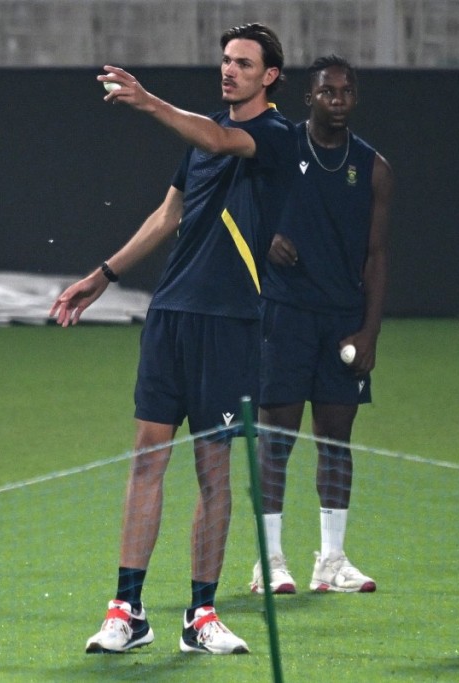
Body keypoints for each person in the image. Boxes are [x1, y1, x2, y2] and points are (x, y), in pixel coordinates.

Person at [49, 23, 297, 655]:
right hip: (172, 315)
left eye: (243, 63)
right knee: (147, 457)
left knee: (214, 472)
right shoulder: (202, 135)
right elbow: (170, 214)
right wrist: (103, 275)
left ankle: (201, 614)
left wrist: (150, 101)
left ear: (270, 75)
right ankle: (127, 610)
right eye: (225, 60)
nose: (229, 70)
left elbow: (218, 136)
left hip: (230, 324)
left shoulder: (271, 134)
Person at [249, 55, 393, 595]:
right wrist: (265, 239)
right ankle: (271, 559)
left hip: (342, 325)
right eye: (327, 92)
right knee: (276, 440)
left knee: (337, 441)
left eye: (346, 92)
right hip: (284, 314)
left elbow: (377, 256)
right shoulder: (279, 149)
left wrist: (370, 332)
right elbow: (239, 206)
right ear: (308, 98)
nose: (337, 100)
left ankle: (331, 561)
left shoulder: (374, 167)